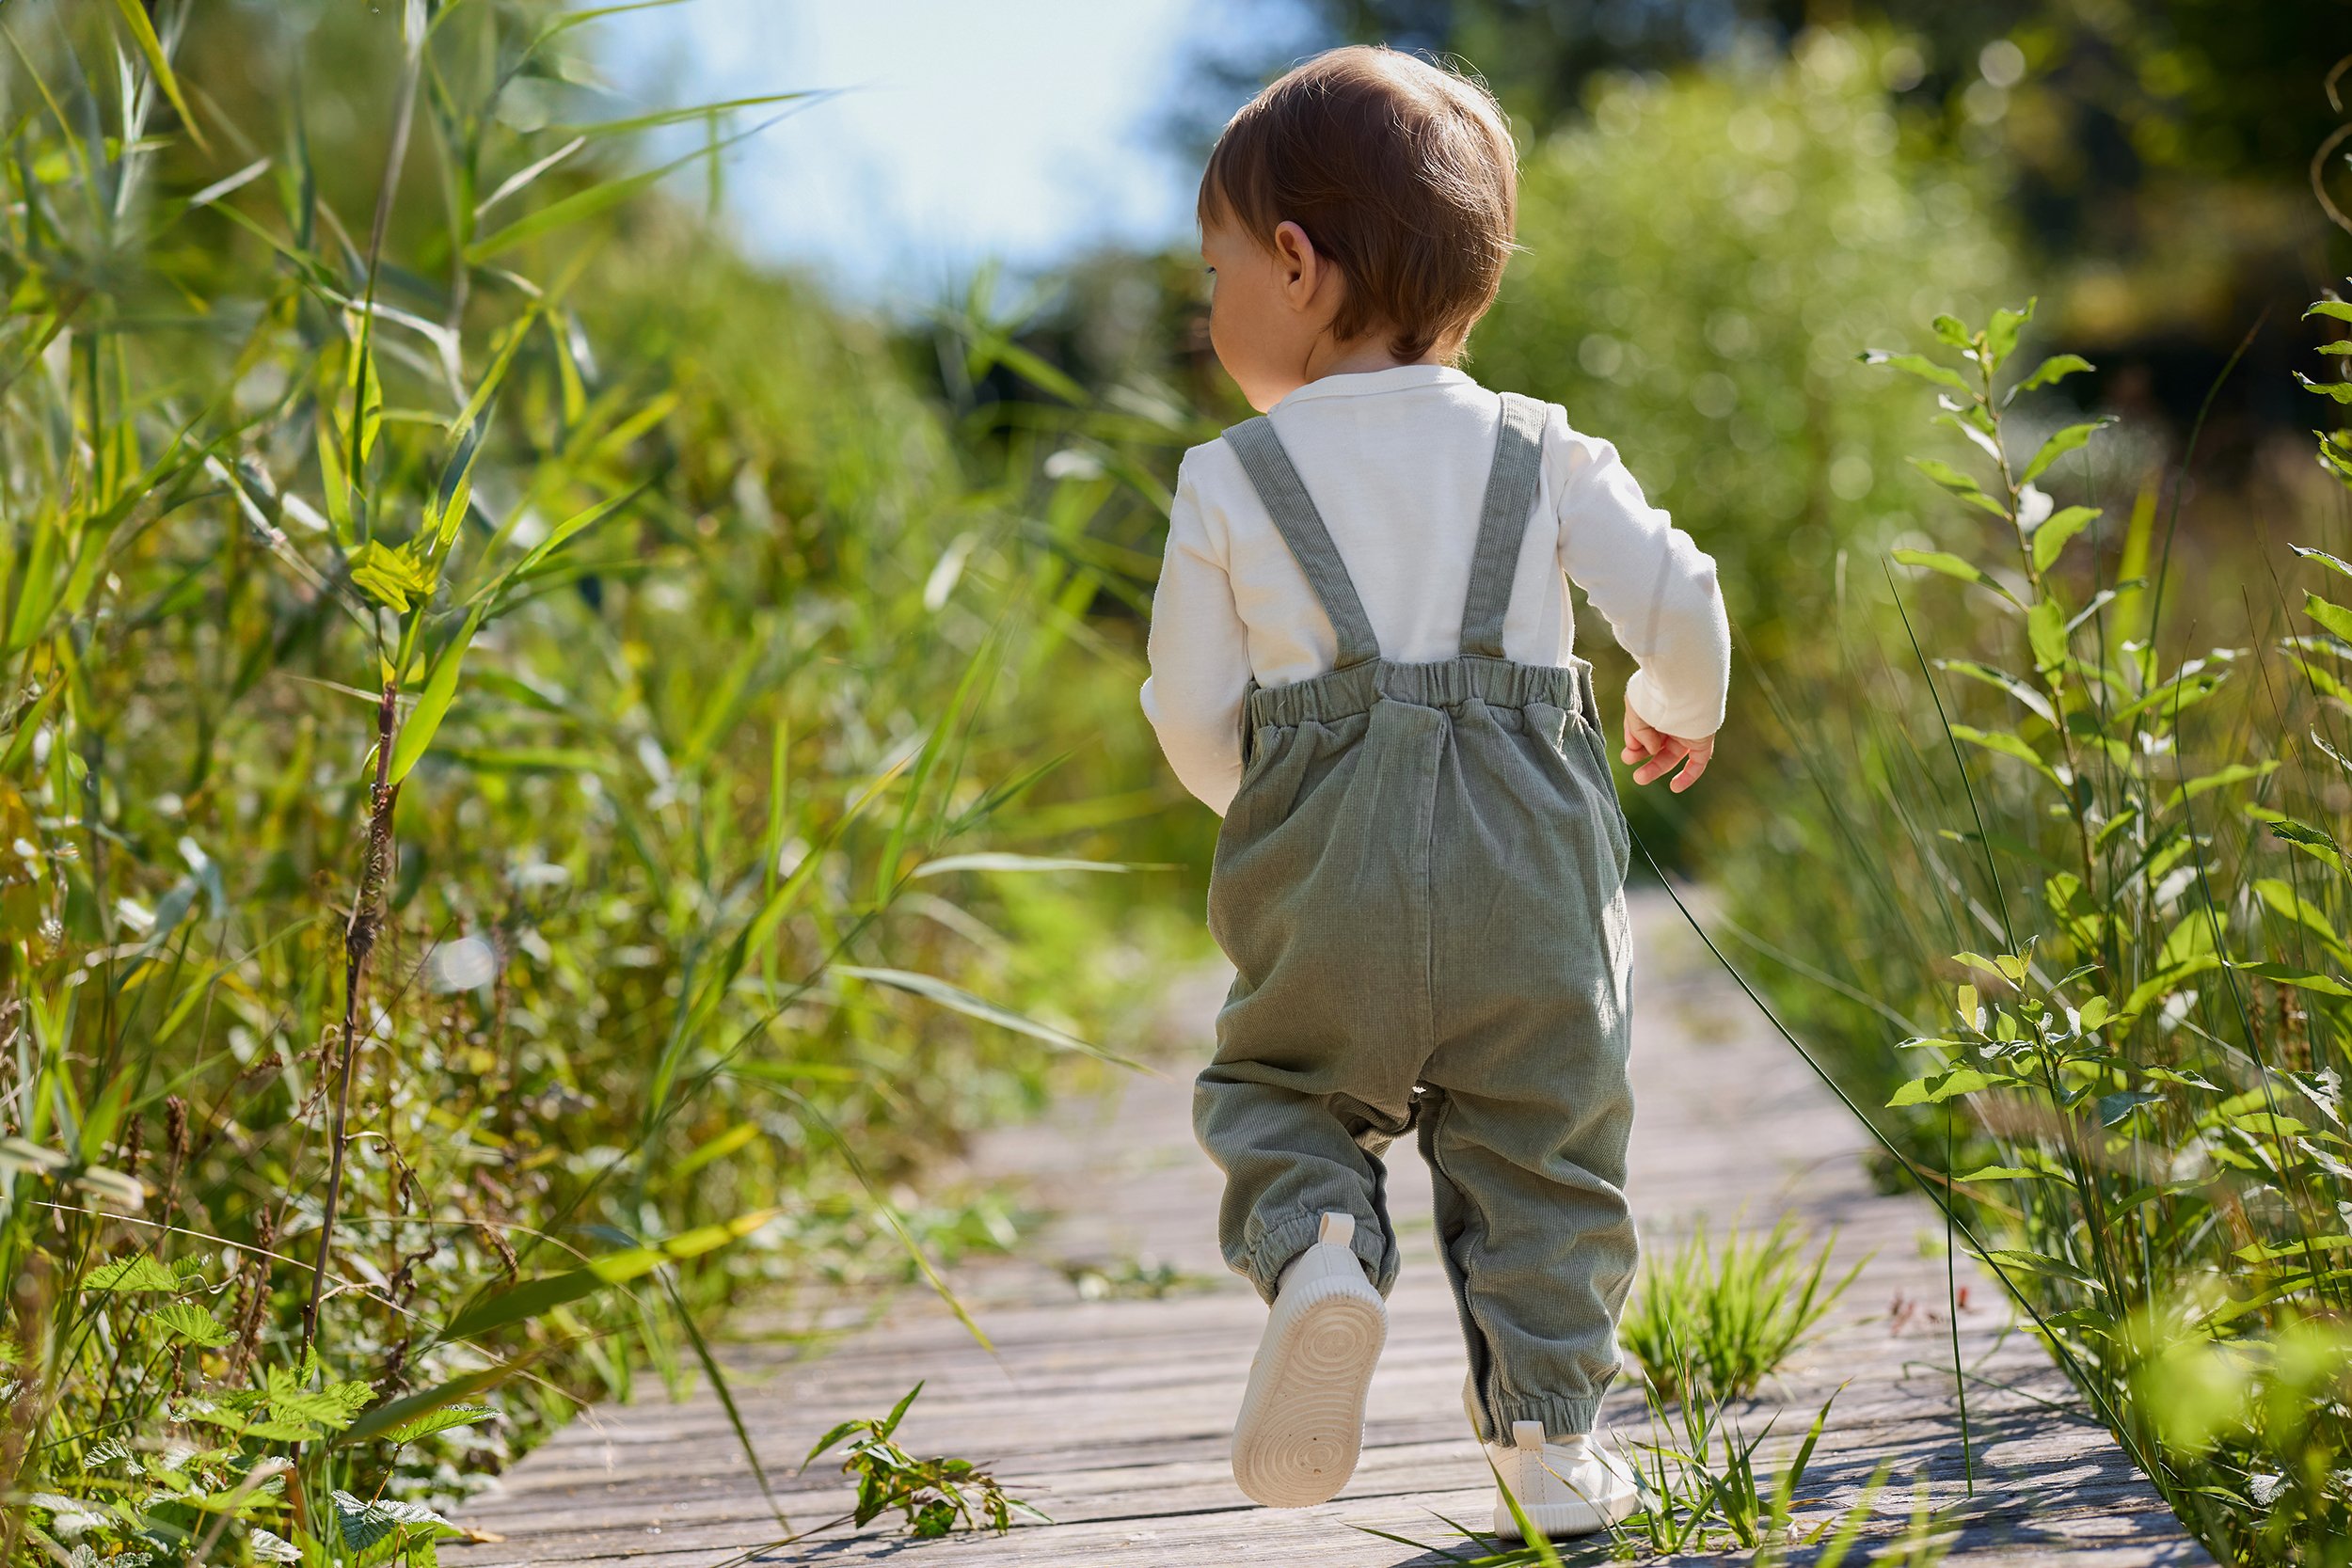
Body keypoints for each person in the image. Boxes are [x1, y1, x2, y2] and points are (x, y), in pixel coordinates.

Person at [1139, 45, 1731, 1542]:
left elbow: (1192, 720)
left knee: (1278, 1094)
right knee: (1543, 1147)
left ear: (1293, 264)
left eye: (1215, 272)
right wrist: (1674, 708)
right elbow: (1682, 602)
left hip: (1321, 868)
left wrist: (1276, 817)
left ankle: (1324, 1249)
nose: (1210, 310)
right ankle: (1551, 1446)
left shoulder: (1229, 479)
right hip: (1526, 880)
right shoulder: (1544, 451)